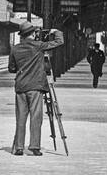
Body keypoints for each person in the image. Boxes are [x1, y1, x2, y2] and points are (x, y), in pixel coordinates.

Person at [7, 24, 64, 156]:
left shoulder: (15, 48)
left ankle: (19, 147)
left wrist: (23, 69)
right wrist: (56, 31)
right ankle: (34, 146)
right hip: (35, 87)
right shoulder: (38, 45)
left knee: (21, 118)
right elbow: (59, 41)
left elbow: (11, 68)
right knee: (36, 117)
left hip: (21, 87)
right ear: (33, 34)